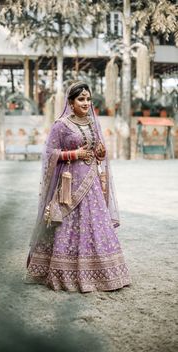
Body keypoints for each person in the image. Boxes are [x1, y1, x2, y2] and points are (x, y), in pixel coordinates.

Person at [26, 81, 130, 292]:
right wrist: (74, 154)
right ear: (71, 102)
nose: (86, 102)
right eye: (81, 99)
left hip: (91, 182)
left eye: (88, 99)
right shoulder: (61, 125)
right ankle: (63, 273)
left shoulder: (93, 123)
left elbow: (99, 153)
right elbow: (49, 155)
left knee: (96, 224)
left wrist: (100, 152)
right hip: (69, 184)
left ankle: (104, 274)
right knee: (66, 226)